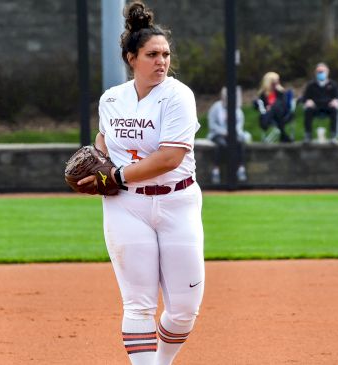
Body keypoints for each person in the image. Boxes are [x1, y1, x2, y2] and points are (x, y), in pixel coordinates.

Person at [76, 2, 204, 364]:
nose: (162, 61)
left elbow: (169, 158)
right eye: (152, 54)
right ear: (132, 57)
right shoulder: (112, 98)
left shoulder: (178, 95)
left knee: (183, 309)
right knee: (138, 304)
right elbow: (104, 143)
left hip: (177, 201)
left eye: (165, 54)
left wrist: (113, 175)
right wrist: (94, 162)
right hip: (125, 205)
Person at [207, 86, 248, 184]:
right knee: (221, 145)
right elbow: (212, 125)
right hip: (217, 134)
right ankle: (215, 171)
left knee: (240, 143)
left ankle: (241, 169)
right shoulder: (216, 107)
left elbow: (239, 126)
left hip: (233, 135)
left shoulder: (237, 109)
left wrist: (232, 133)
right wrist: (224, 132)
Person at [300, 62, 338, 144]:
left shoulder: (333, 84)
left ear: (327, 72)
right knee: (307, 110)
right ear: (315, 73)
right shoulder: (311, 85)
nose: (321, 74)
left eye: (322, 71)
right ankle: (308, 135)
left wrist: (336, 100)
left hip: (328, 107)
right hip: (315, 107)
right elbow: (304, 98)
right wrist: (308, 101)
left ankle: (333, 136)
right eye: (319, 72)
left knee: (335, 110)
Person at [254, 71, 294, 142]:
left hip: (282, 114)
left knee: (275, 108)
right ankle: (284, 136)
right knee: (269, 111)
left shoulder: (281, 92)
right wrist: (267, 108)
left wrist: (271, 107)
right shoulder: (263, 95)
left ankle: (265, 124)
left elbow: (284, 105)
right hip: (271, 116)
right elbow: (259, 106)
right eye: (274, 81)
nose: (276, 83)